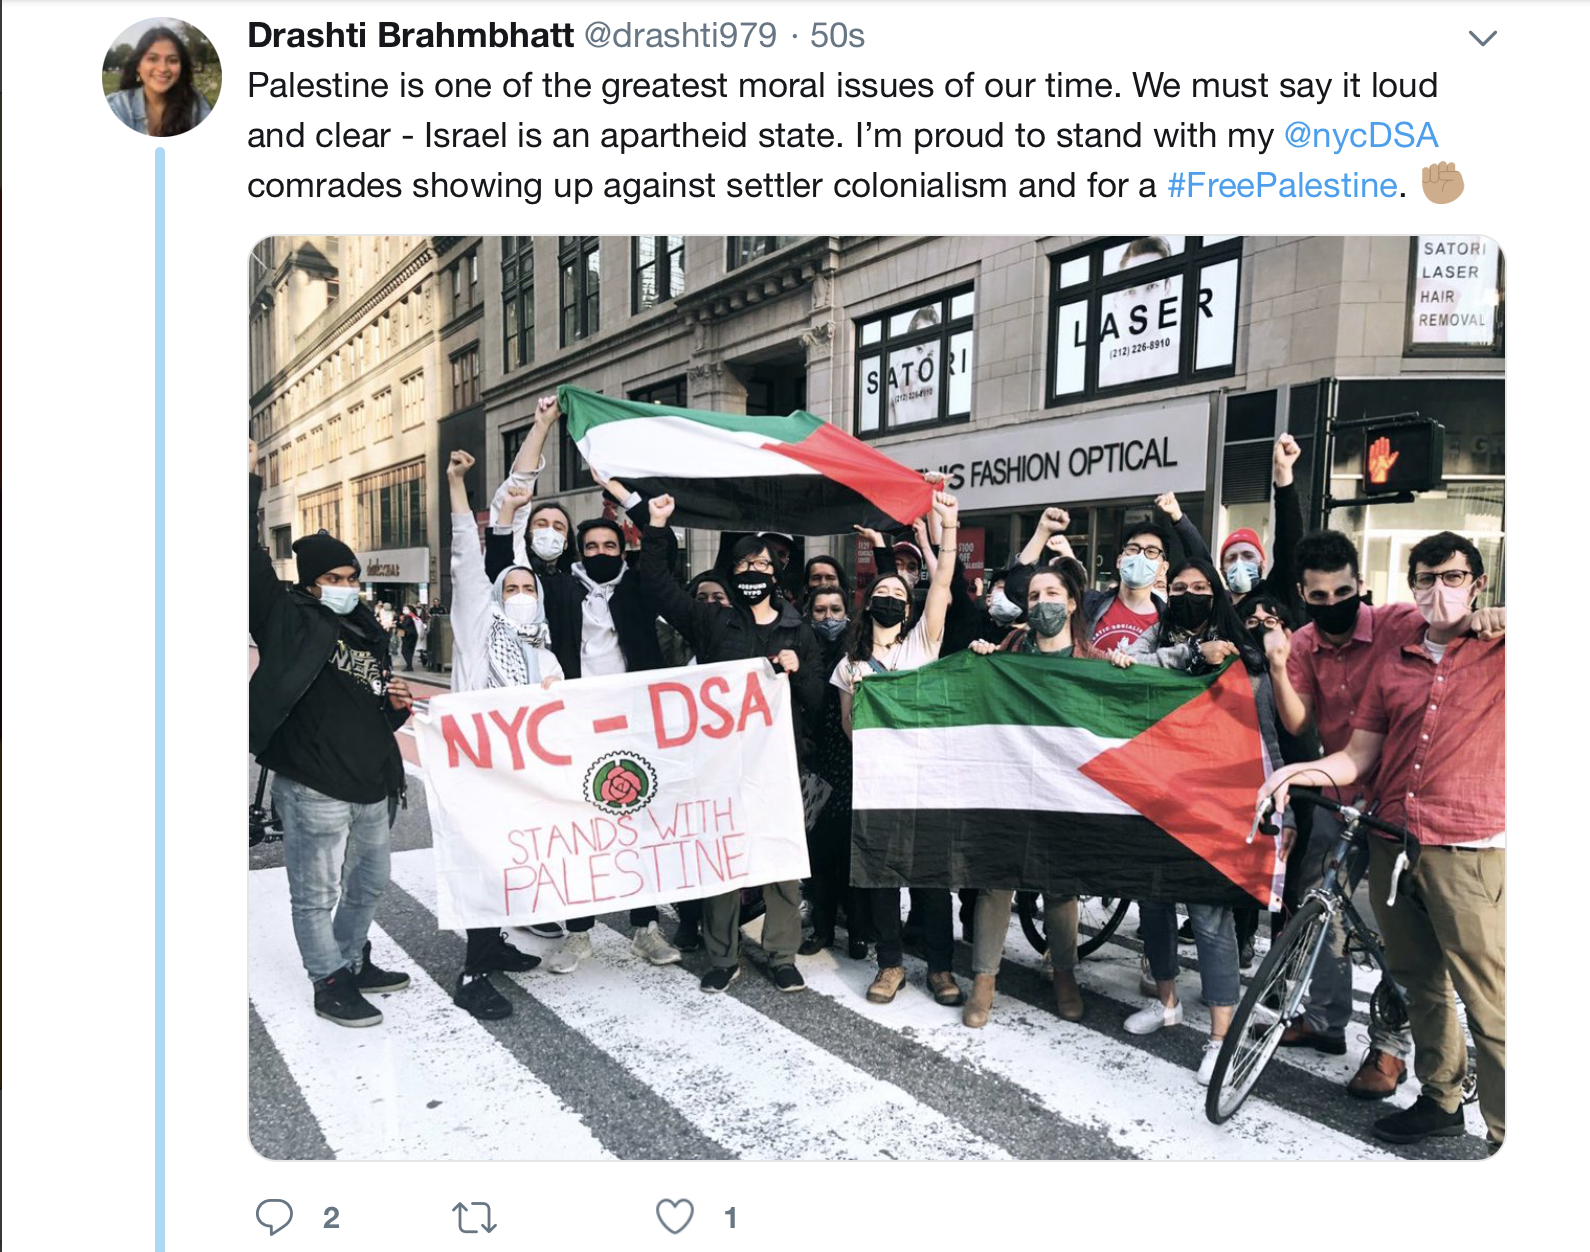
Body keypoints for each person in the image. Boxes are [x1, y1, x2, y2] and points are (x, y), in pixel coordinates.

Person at [1261, 532, 1505, 1151]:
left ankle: (1507, 1134)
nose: (1438, 591)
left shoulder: (1500, 648)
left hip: (1465, 843)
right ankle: (1440, 1097)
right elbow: (1355, 755)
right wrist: (1296, 773)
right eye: (1426, 578)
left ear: (1477, 583)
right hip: (1391, 834)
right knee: (1418, 978)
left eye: (1453, 578)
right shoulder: (1396, 662)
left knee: (1487, 998)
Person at [488, 451, 678, 971]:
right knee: (579, 828)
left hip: (635, 720)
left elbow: (662, 543)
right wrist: (511, 511)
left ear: (622, 549)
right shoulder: (556, 587)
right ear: (578, 550)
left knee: (639, 821)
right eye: (590, 546)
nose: (599, 552)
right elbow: (503, 568)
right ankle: (578, 933)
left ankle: (645, 928)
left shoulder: (640, 584)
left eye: (609, 545)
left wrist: (620, 493)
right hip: (573, 723)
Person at [634, 495, 828, 993]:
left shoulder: (798, 630)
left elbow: (816, 701)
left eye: (762, 565)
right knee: (722, 857)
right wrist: (657, 524)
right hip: (720, 764)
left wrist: (798, 672)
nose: (753, 572)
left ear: (776, 573)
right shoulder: (712, 620)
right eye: (744, 565)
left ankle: (781, 954)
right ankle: (723, 955)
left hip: (778, 764)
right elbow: (657, 587)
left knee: (780, 859)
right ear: (731, 571)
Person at [249, 456, 413, 1028]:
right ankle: (329, 981)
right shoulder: (284, 618)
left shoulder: (366, 629)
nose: (345, 588)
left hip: (372, 781)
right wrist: (247, 481)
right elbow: (243, 559)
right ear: (309, 581)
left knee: (368, 883)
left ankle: (351, 959)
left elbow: (366, 709)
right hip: (313, 784)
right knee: (315, 893)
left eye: (351, 578)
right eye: (332, 579)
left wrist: (393, 709)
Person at [1117, 558, 1292, 1084]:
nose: (1189, 594)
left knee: (1210, 918)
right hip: (1156, 792)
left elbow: (1265, 726)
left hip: (1218, 800)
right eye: (1179, 587)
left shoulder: (1241, 647)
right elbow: (1128, 666)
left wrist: (1280, 797)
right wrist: (1192, 654)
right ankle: (1166, 1001)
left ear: (1215, 595)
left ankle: (1220, 1037)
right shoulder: (1156, 635)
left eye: (1199, 586)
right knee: (1153, 902)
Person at [1261, 530, 1418, 1094]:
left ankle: (1390, 1048)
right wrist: (1277, 664)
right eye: (1319, 596)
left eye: (1343, 593)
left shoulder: (1399, 623)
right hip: (1339, 796)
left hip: (1401, 799)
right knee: (1321, 908)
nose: (1333, 605)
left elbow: (1453, 633)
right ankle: (1326, 1021)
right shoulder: (1303, 643)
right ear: (1304, 595)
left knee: (1401, 929)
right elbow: (1299, 722)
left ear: (1361, 585)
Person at [963, 558, 1110, 1026]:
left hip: (1065, 788)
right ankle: (985, 979)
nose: (1042, 603)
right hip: (1009, 781)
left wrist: (1123, 672)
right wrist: (980, 661)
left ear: (1072, 603)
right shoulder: (1005, 655)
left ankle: (1064, 971)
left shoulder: (1094, 662)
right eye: (1033, 596)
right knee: (996, 881)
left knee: (1061, 885)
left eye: (1051, 594)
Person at [834, 493, 964, 1008]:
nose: (890, 597)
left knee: (932, 879)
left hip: (926, 780)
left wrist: (948, 528)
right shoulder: (849, 665)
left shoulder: (922, 646)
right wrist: (876, 744)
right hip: (877, 784)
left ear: (909, 609)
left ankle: (940, 967)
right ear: (869, 603)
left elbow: (944, 581)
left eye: (898, 593)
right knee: (882, 878)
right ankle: (890, 965)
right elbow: (847, 723)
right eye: (882, 591)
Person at [442, 451, 556, 1019]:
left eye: (527, 586)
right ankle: (473, 973)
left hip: (526, 774)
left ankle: (494, 944)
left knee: (511, 861)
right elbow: (469, 559)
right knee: (480, 864)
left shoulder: (541, 645)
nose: (520, 592)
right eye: (510, 587)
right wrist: (457, 486)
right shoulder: (478, 629)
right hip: (479, 768)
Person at [800, 586, 870, 960]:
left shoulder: (858, 652)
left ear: (848, 613)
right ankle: (823, 929)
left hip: (853, 762)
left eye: (836, 609)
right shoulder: (799, 649)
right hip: (813, 763)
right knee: (819, 854)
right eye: (820, 610)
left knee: (851, 853)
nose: (828, 617)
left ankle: (859, 930)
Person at [1219, 435, 1305, 621]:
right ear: (1222, 570)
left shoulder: (1276, 594)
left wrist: (1283, 476)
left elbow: (1289, 542)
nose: (1240, 563)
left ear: (1263, 564)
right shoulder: (1218, 613)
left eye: (1248, 556)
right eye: (1232, 558)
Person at [106, 26, 213, 136]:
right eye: (152, 59)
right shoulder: (116, 106)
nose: (163, 69)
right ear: (138, 65)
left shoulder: (196, 105)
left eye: (172, 60)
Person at [397, 606, 419, 672]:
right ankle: (409, 665)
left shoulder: (409, 617)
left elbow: (404, 626)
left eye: (405, 609)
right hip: (413, 635)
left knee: (405, 651)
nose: (404, 610)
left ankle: (409, 666)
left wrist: (397, 623)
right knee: (410, 651)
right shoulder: (413, 616)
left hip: (409, 635)